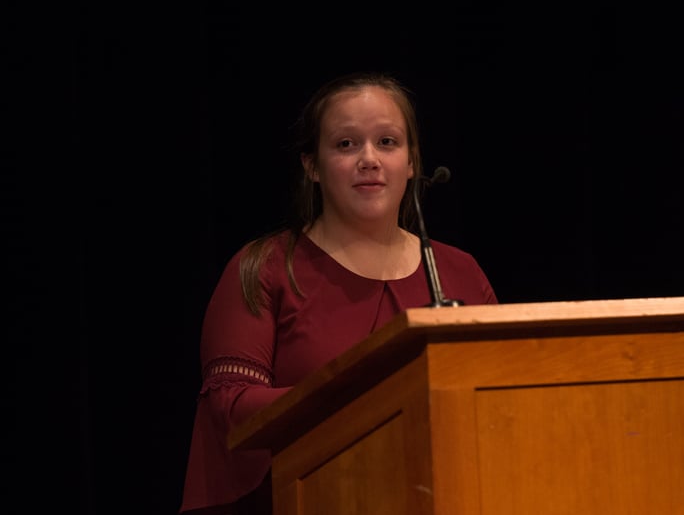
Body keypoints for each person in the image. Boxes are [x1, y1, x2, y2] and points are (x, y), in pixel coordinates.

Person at [179, 71, 498, 514]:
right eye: (346, 144)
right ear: (312, 165)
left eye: (387, 142)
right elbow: (229, 407)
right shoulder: (264, 267)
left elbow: (498, 398)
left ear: (412, 162)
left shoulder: (459, 272)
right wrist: (367, 395)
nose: (369, 159)